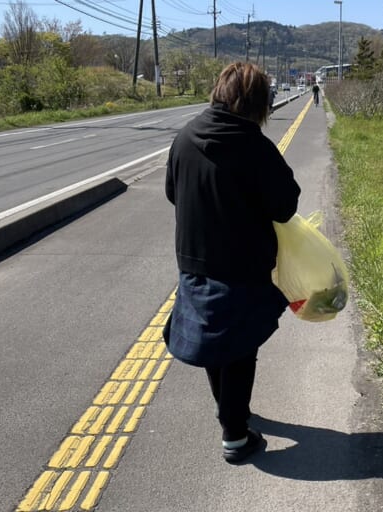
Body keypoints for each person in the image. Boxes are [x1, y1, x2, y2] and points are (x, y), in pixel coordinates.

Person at [163, 62, 301, 464]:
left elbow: (172, 192)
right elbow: (285, 205)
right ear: (257, 103)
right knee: (240, 344)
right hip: (243, 262)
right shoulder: (254, 146)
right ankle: (236, 435)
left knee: (214, 340)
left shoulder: (185, 137)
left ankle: (228, 411)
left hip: (194, 258)